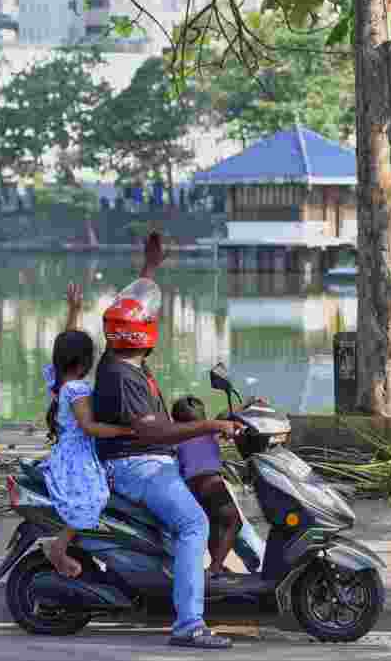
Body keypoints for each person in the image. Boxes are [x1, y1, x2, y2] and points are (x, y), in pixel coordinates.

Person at [92, 232, 242, 650]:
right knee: (194, 522)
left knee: (211, 494)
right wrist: (209, 426)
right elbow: (153, 433)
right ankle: (188, 624)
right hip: (139, 466)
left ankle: (212, 577)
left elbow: (135, 309)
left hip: (153, 460)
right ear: (144, 334)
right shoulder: (124, 377)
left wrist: (151, 268)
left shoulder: (118, 354)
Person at [42, 283, 137, 579]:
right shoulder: (77, 390)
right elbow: (89, 426)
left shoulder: (57, 379)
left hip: (68, 451)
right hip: (77, 456)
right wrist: (126, 430)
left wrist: (74, 312)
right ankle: (59, 545)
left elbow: (66, 344)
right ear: (85, 362)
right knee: (95, 497)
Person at [171, 396, 242, 579]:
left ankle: (215, 564)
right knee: (233, 520)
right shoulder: (210, 431)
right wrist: (249, 403)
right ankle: (215, 567)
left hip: (190, 486)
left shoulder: (176, 437)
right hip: (210, 481)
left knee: (215, 523)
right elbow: (228, 417)